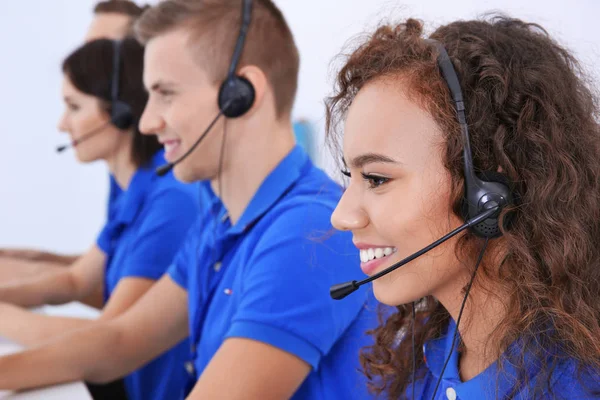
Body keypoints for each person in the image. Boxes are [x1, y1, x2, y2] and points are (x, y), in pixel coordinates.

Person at [0, 1, 375, 399]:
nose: (146, 122)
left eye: (165, 94)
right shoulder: (221, 219)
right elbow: (122, 339)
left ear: (241, 94)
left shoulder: (309, 234)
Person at [327, 15, 600, 399]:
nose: (342, 215)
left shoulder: (579, 385)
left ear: (489, 192)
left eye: (376, 179)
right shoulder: (429, 361)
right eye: (349, 177)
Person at [0, 38, 198, 400]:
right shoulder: (135, 187)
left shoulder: (171, 201)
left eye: (73, 107)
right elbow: (76, 279)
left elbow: (109, 336)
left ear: (121, 112)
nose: (62, 124)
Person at [0, 0, 149, 279]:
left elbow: (130, 317)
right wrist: (35, 261)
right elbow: (110, 276)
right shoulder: (129, 175)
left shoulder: (168, 184)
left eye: (103, 50)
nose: (89, 60)